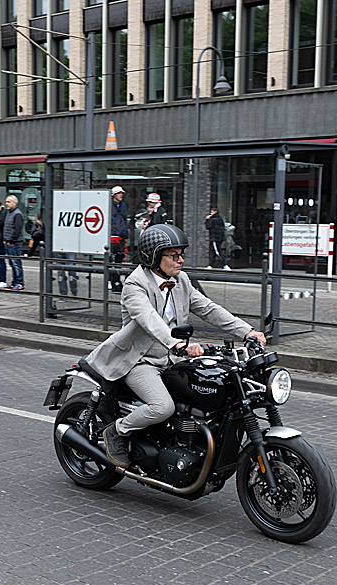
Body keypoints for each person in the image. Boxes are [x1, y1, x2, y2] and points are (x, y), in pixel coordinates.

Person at [83, 224, 266, 468]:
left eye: (182, 254)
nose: (180, 260)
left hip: (173, 360)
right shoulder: (135, 284)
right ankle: (117, 431)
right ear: (154, 256)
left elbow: (208, 309)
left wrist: (247, 331)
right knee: (162, 406)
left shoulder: (181, 280)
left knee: (209, 391)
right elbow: (149, 319)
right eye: (174, 255)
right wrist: (176, 343)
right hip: (141, 360)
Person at [2, 195, 25, 290]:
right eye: (6, 202)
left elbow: (17, 229)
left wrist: (11, 240)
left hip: (14, 243)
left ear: (14, 203)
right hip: (8, 242)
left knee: (16, 263)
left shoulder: (17, 214)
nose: (6, 204)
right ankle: (14, 282)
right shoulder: (9, 213)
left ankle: (20, 282)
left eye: (9, 202)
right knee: (12, 263)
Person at [109, 186, 129, 292]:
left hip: (120, 234)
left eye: (122, 193)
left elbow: (124, 219)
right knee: (111, 258)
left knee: (119, 258)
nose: (121, 195)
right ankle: (112, 280)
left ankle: (115, 280)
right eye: (119, 193)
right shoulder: (109, 205)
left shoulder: (124, 206)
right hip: (112, 234)